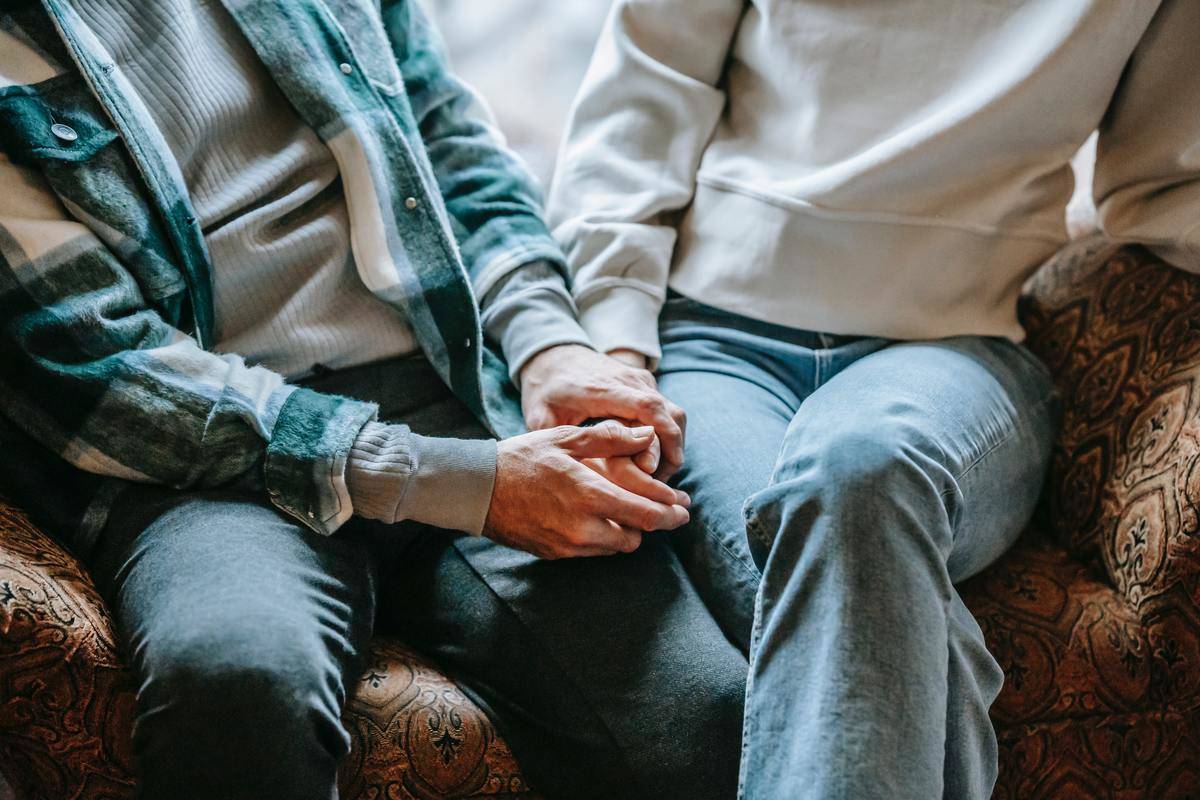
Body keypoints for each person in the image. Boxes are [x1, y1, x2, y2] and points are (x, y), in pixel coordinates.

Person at [0, 2, 747, 798]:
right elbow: (96, 361)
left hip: (444, 382)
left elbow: (451, 148)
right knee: (237, 682)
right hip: (204, 464)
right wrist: (460, 481)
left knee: (706, 717)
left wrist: (547, 344)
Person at [548, 1, 1200, 797]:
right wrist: (617, 345)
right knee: (859, 596)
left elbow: (1168, 182)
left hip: (955, 346)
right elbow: (643, 99)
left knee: (862, 467)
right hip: (710, 347)